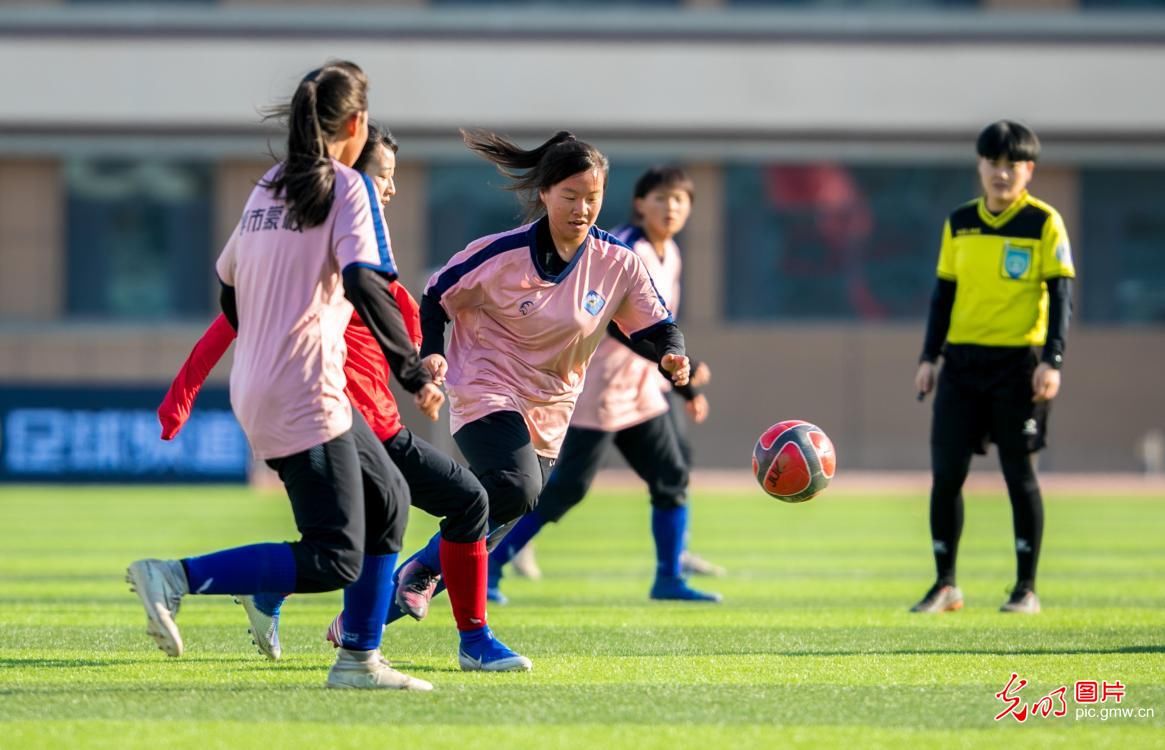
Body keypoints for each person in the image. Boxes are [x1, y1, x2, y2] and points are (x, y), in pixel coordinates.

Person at [157, 124, 531, 672]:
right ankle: (440, 643)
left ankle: (319, 619)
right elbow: (230, 320)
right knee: (365, 541)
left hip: (378, 423)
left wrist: (424, 362)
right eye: (384, 176)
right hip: (339, 421)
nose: (392, 188)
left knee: (383, 529)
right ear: (351, 177)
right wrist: (179, 401)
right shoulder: (327, 254)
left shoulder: (375, 258)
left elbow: (393, 328)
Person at [127, 61, 440, 691]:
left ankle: (359, 661)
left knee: (390, 502)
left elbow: (229, 286)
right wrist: (411, 368)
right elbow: (365, 281)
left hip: (270, 382)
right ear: (355, 124)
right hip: (305, 389)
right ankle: (175, 576)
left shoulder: (269, 185)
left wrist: (272, 337)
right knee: (333, 557)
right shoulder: (346, 188)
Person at [388, 129, 692, 625]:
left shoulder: (617, 262)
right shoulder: (500, 253)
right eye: (569, 196)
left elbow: (658, 326)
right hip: (485, 384)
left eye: (591, 198)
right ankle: (425, 573)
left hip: (552, 404)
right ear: (545, 193)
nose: (581, 209)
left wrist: (673, 356)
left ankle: (365, 624)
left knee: (504, 513)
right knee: (517, 487)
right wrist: (435, 353)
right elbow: (436, 293)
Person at [486, 165, 722, 604]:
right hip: (598, 389)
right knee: (565, 489)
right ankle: (492, 564)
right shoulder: (625, 248)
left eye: (680, 200)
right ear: (639, 204)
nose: (670, 208)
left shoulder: (670, 253)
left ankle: (669, 577)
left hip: (641, 390)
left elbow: (659, 327)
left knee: (671, 475)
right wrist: (677, 367)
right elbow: (616, 324)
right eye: (661, 198)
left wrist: (684, 384)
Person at [912, 120, 1074, 615]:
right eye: (993, 163)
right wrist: (929, 357)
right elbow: (944, 295)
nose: (1001, 173)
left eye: (1013, 165)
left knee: (1018, 475)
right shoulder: (960, 222)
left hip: (1018, 367)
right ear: (980, 165)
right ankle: (946, 585)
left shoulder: (1044, 223)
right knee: (946, 475)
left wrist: (1053, 360)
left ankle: (1025, 588)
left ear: (1029, 170)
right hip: (962, 363)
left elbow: (1061, 294)